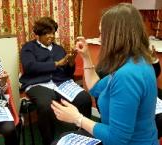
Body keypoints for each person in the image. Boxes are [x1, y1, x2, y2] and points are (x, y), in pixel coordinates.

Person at [51, 3, 159, 145]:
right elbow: (96, 87)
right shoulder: (138, 61)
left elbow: (117, 139)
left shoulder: (127, 75)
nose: (100, 38)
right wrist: (86, 57)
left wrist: (78, 119)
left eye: (102, 33)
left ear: (117, 36)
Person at [19, 16, 92, 145]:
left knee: (84, 98)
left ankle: (83, 134)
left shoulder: (59, 49)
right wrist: (57, 64)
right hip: (37, 83)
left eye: (52, 32)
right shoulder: (28, 48)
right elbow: (29, 67)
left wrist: (70, 63)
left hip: (61, 83)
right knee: (46, 104)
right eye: (46, 33)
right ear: (38, 35)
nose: (51, 36)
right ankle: (49, 141)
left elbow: (68, 74)